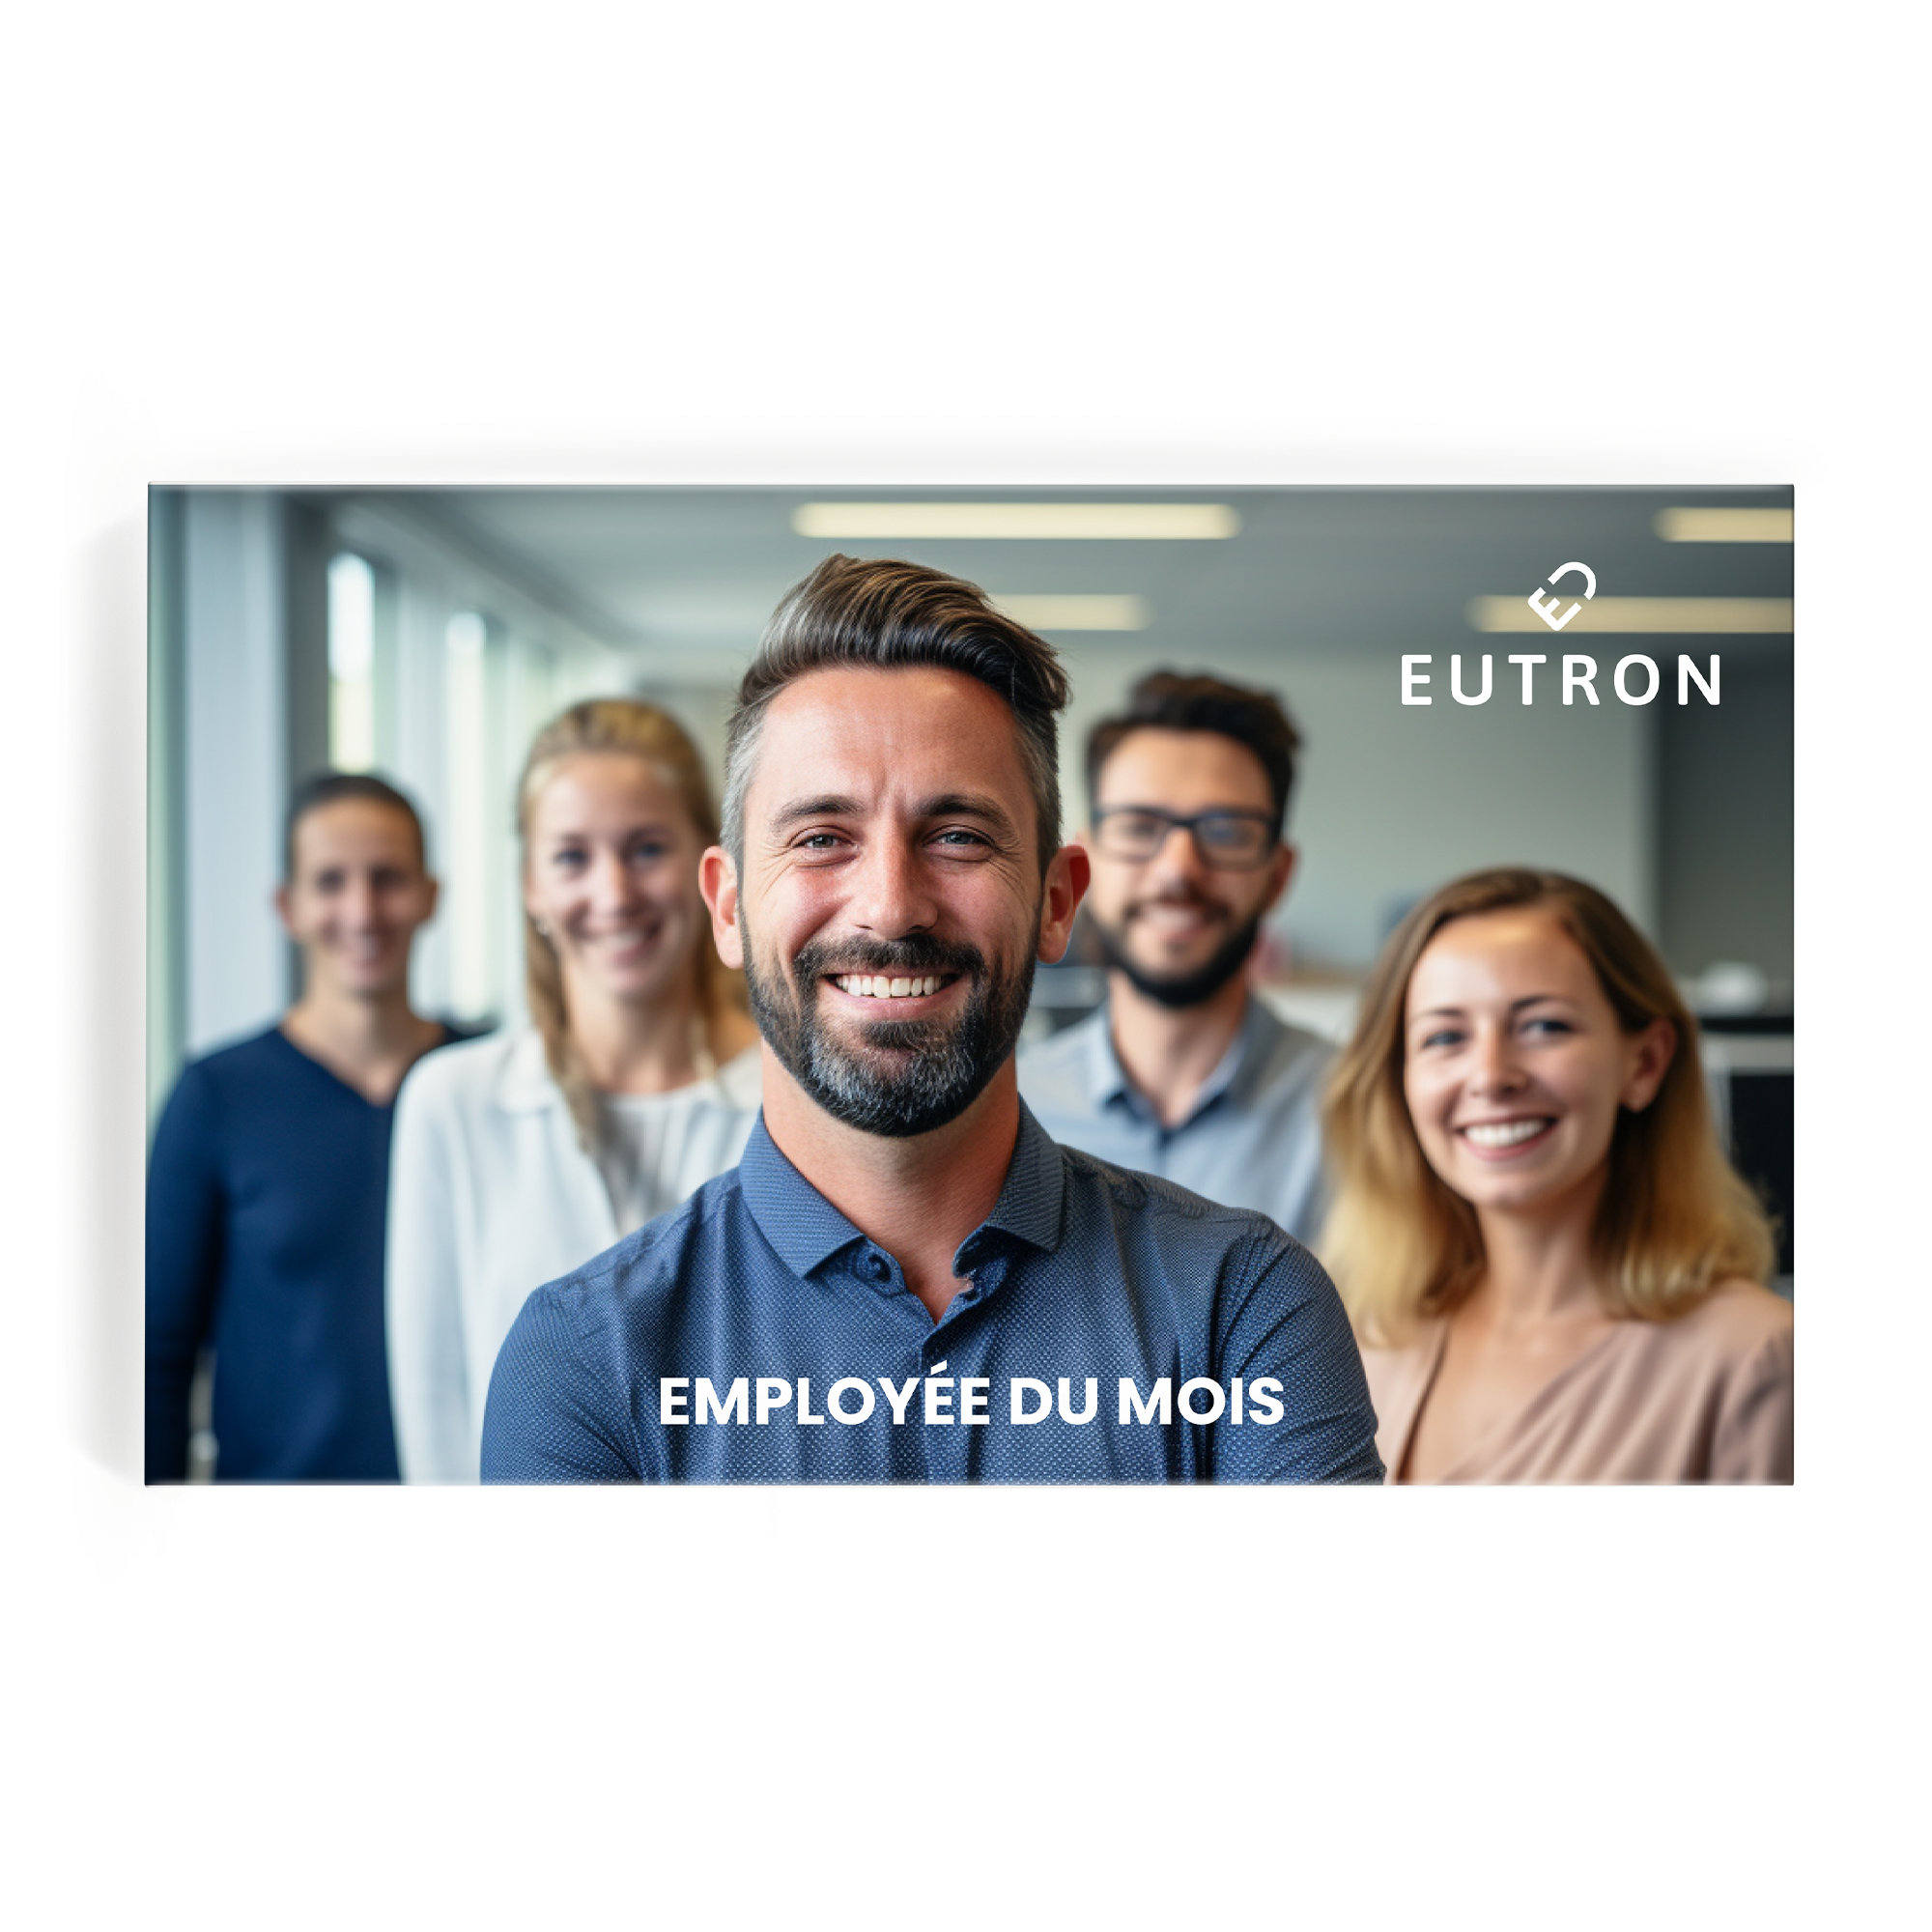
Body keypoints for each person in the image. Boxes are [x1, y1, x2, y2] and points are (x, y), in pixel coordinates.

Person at [481, 556, 1383, 1484]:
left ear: (1057, 900)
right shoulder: (588, 1363)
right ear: (727, 907)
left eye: (958, 836)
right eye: (821, 838)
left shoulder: (1241, 1308)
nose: (890, 907)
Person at [385, 698, 762, 1482]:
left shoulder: (796, 1099)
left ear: (710, 869)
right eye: (571, 858)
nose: (613, 892)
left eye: (647, 848)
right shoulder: (452, 1103)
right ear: (530, 885)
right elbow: (439, 1424)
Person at [1320, 866, 1793, 1484]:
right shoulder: (1363, 1342)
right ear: (1400, 1080)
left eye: (1544, 1026)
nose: (1491, 1075)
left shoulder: (1757, 1362)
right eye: (1444, 1037)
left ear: (1644, 1062)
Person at [146, 773, 463, 1483]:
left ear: (430, 896)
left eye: (387, 878)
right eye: (330, 882)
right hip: (277, 1526)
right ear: (287, 907)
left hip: (466, 1501)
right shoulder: (216, 1098)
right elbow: (155, 1355)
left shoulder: (486, 1083)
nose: (361, 909)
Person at [1019, 671, 1330, 1242]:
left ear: (1277, 875)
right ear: (1085, 865)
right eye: (1140, 827)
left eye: (1226, 831)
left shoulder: (1365, 1110)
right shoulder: (1010, 1110)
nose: (1178, 870)